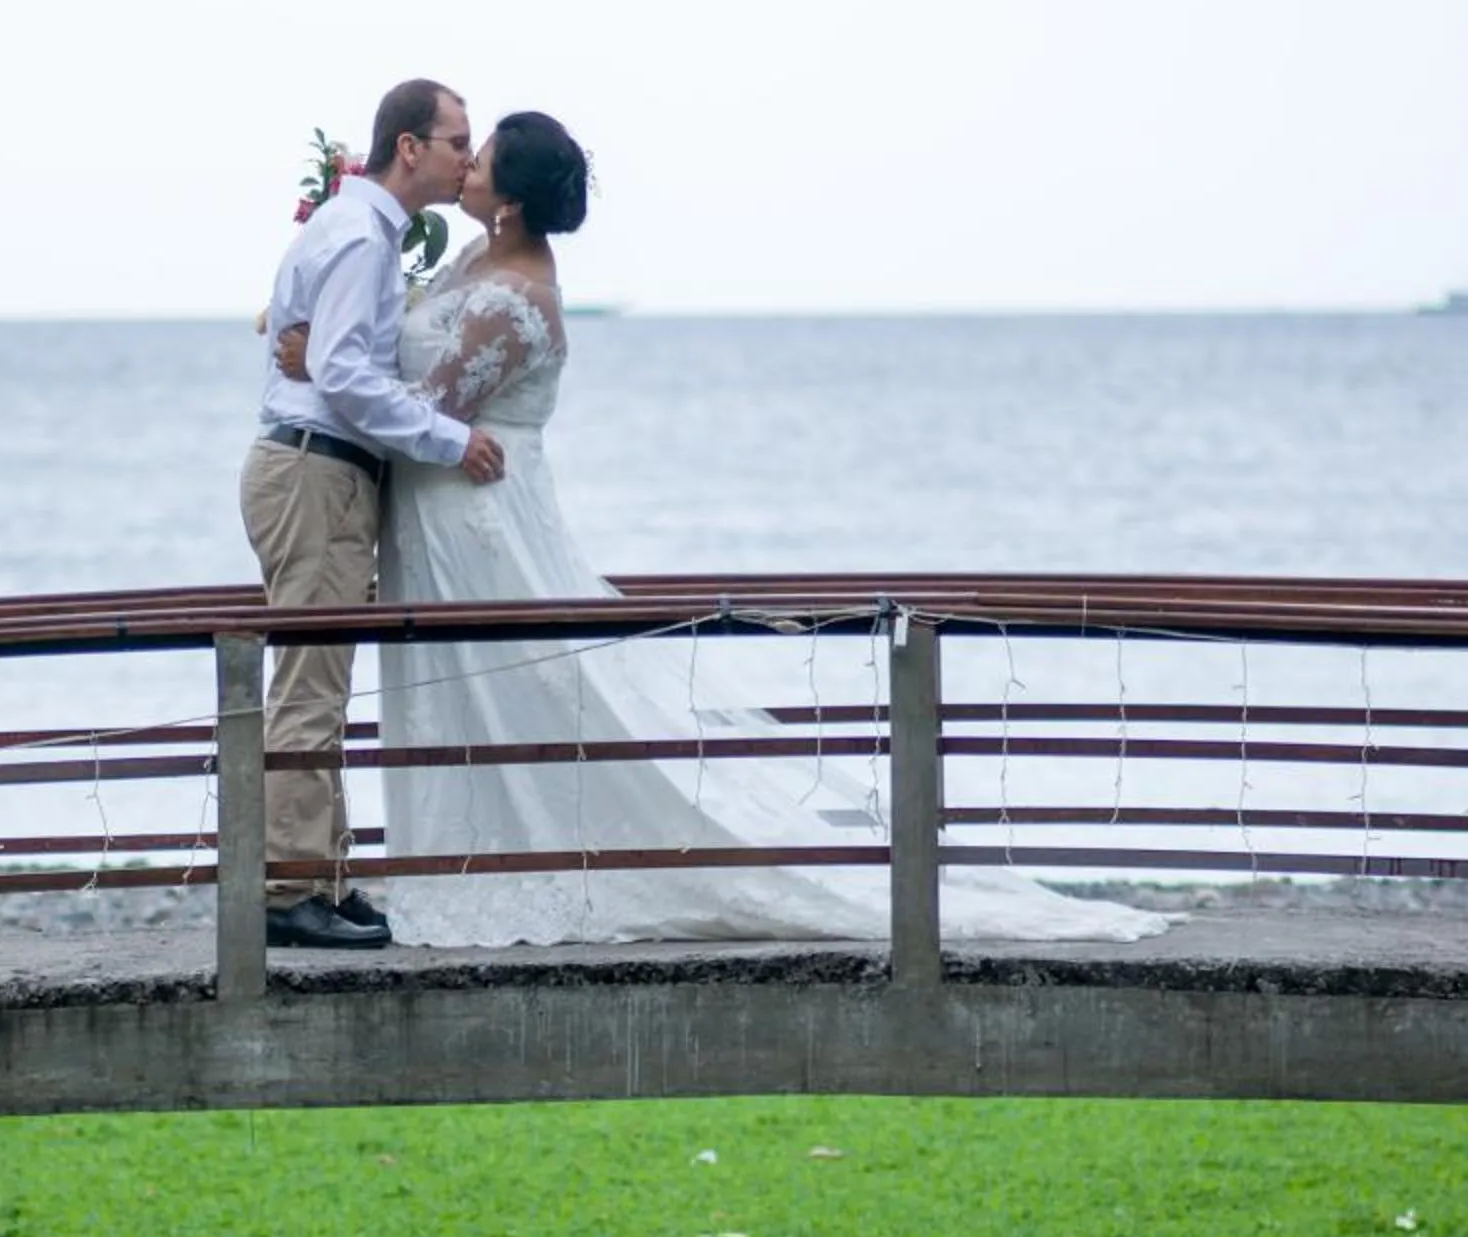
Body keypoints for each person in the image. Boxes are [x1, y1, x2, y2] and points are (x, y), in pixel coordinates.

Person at [277, 110, 1166, 948]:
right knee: (468, 688)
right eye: (461, 148)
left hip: (478, 513)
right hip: (438, 510)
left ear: (508, 198)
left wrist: (318, 361)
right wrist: (329, 342)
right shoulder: (477, 253)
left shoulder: (519, 296)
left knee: (527, 689)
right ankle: (454, 861)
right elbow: (391, 362)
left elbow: (433, 409)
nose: (464, 165)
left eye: (480, 157)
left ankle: (540, 864)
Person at [241, 77, 506, 951]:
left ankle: (324, 875)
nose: (467, 156)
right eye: (457, 140)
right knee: (310, 689)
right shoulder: (360, 236)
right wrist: (447, 439)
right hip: (316, 472)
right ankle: (286, 891)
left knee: (321, 684)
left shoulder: (358, 230)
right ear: (409, 148)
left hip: (319, 470)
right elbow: (347, 377)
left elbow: (326, 355)